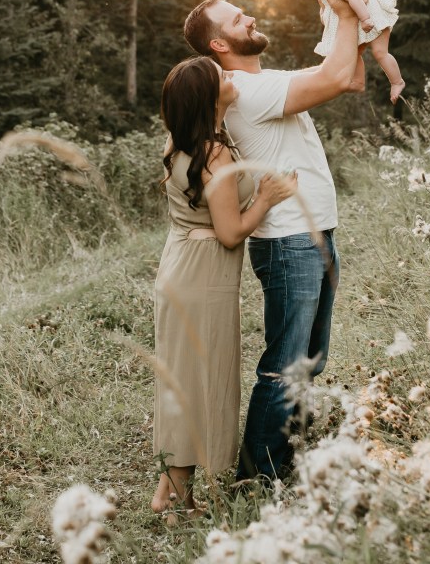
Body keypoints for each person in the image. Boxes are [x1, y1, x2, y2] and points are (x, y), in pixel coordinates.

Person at [183, 0, 364, 481]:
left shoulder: (263, 81)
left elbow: (349, 76)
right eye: (237, 18)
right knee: (285, 364)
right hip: (289, 242)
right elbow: (333, 77)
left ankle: (289, 454)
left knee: (310, 360)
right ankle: (257, 476)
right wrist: (347, 12)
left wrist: (350, 20)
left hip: (314, 233)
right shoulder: (243, 89)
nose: (251, 17)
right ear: (220, 43)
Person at [152, 56, 296, 517]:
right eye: (223, 77)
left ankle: (166, 492)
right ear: (210, 98)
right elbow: (232, 232)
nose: (231, 77)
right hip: (202, 278)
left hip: (183, 266)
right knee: (199, 382)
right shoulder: (214, 153)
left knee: (184, 378)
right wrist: (268, 198)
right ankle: (177, 502)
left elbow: (213, 219)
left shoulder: (184, 142)